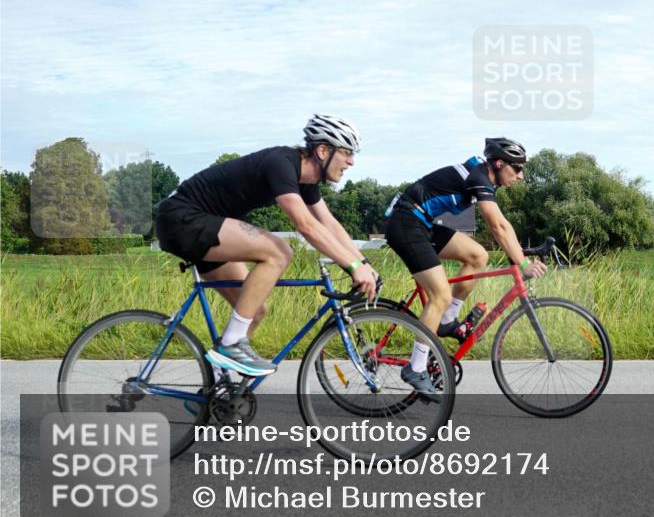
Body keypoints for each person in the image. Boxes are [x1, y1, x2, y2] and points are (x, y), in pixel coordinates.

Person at [155, 115, 379, 377]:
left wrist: (363, 264)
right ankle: (231, 344)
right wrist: (351, 266)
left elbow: (328, 223)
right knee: (279, 251)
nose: (351, 161)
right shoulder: (281, 164)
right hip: (183, 219)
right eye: (346, 153)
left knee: (254, 308)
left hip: (202, 226)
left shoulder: (307, 183)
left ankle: (219, 383)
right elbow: (306, 226)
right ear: (322, 150)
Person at [385, 137, 547, 399]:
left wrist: (522, 253)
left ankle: (448, 321)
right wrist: (523, 264)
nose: (520, 175)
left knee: (477, 256)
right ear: (498, 163)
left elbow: (504, 224)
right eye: (516, 168)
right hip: (404, 223)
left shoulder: (483, 176)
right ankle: (416, 368)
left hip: (420, 222)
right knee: (440, 295)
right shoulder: (478, 178)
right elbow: (498, 227)